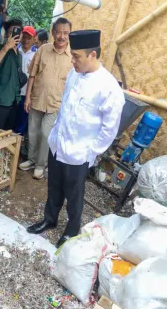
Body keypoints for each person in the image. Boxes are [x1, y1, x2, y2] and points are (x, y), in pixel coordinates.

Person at [27, 30, 125, 248]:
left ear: (92, 55)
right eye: (72, 56)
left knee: (74, 195)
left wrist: (91, 151)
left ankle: (72, 230)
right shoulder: (74, 74)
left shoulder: (109, 87)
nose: (72, 61)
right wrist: (55, 136)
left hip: (80, 152)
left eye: (77, 56)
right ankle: (49, 219)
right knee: (54, 187)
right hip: (58, 144)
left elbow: (110, 129)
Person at [19, 18, 73, 179]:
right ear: (53, 32)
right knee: (33, 132)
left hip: (56, 104)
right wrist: (27, 97)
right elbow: (32, 75)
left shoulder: (72, 57)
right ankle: (31, 159)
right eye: (58, 32)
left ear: (69, 34)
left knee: (45, 134)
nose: (61, 36)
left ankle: (41, 165)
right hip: (37, 99)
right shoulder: (43, 50)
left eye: (65, 33)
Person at [0, 18, 23, 130]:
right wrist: (6, 47)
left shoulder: (19, 54)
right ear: (7, 34)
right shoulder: (1, 48)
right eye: (12, 32)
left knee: (8, 131)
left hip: (14, 99)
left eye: (18, 32)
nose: (15, 35)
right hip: (1, 99)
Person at [14, 26, 37, 136]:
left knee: (22, 120)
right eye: (24, 37)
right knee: (12, 119)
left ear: (34, 39)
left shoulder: (36, 54)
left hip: (26, 94)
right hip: (13, 93)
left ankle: (19, 142)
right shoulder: (15, 50)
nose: (26, 40)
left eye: (29, 38)